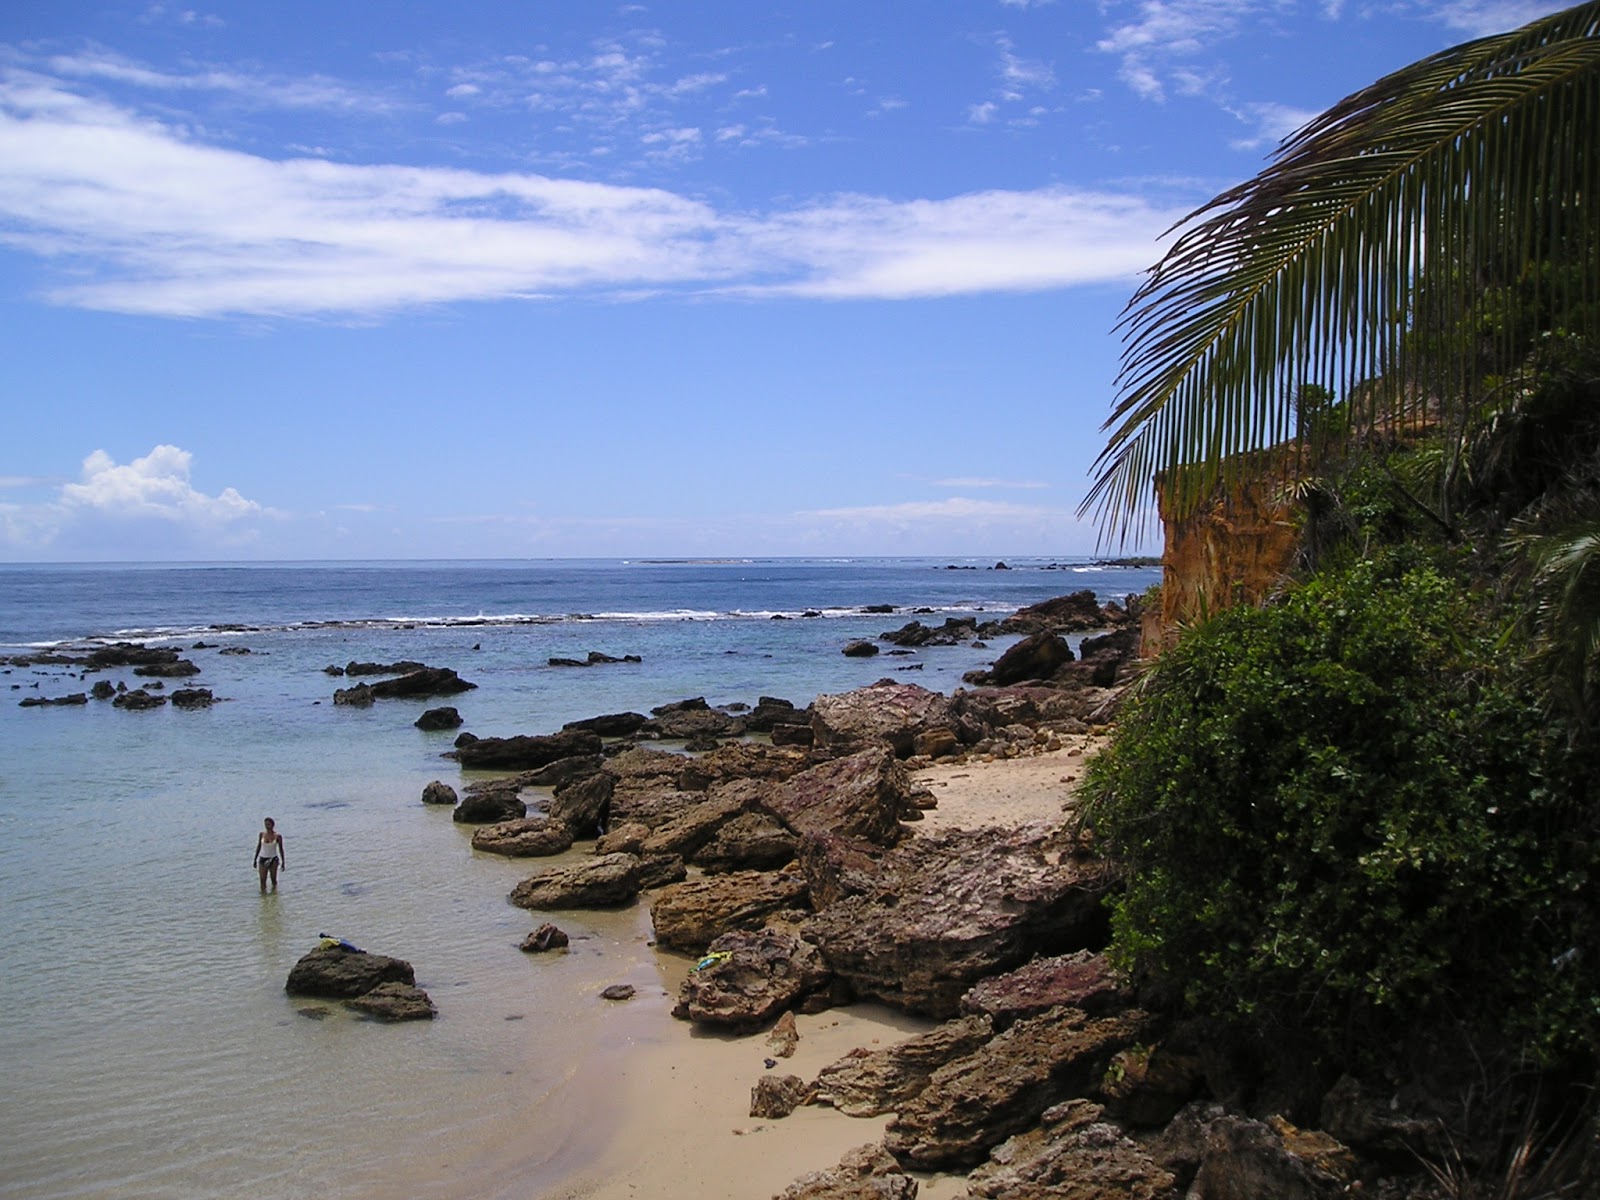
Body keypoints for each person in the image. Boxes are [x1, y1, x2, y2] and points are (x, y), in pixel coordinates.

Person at [254, 817, 285, 893]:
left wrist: (283, 862)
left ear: (272, 825)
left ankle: (274, 896)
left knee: (273, 880)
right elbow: (259, 846)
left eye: (268, 824)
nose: (267, 826)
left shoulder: (277, 836)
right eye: (265, 825)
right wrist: (255, 859)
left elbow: (281, 849)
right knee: (262, 881)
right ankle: (264, 899)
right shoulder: (262, 834)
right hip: (263, 859)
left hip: (273, 859)